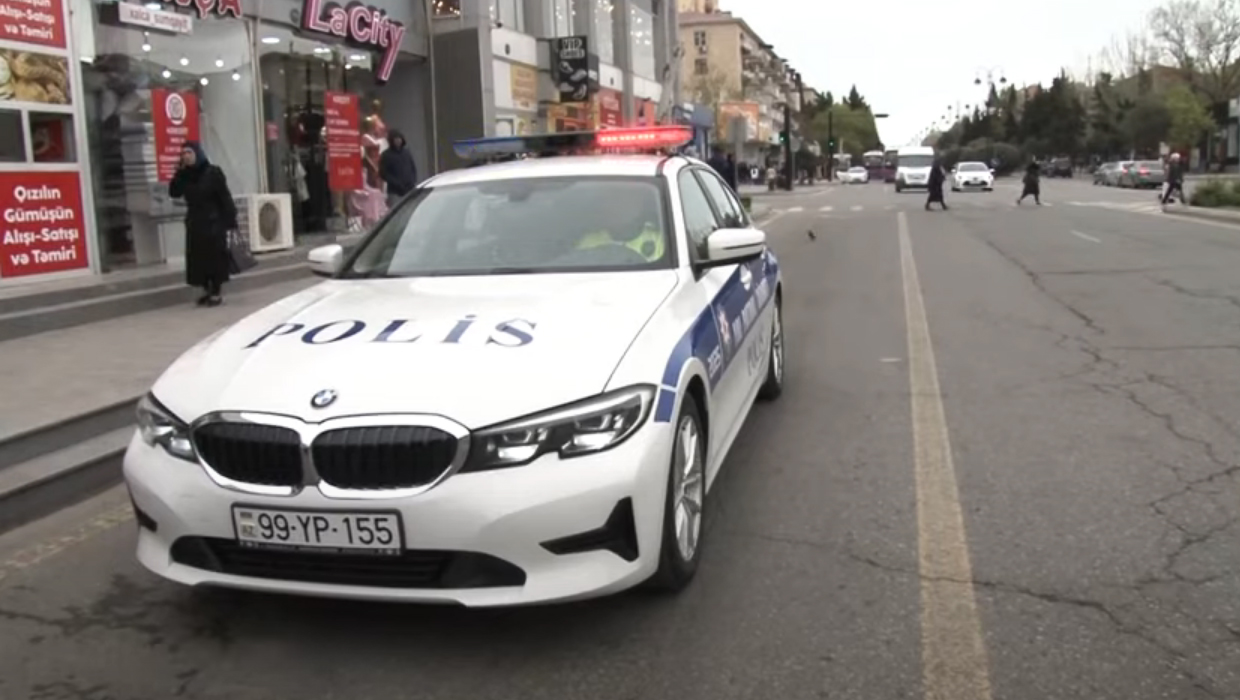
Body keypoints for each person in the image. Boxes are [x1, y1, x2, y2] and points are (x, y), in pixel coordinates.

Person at [169, 141, 237, 307]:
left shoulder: (213, 172)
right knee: (198, 259)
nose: (186, 156)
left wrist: (230, 219)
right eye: (183, 154)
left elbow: (224, 196)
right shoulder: (185, 175)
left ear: (197, 154)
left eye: (189, 153)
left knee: (215, 258)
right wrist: (178, 173)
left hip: (213, 222)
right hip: (195, 222)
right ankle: (207, 289)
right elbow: (174, 193)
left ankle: (216, 292)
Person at [379, 129, 418, 207]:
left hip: (409, 189)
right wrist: (396, 183)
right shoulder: (386, 155)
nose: (398, 141)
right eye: (396, 139)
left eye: (399, 139)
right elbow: (383, 173)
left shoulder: (406, 152)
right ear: (391, 140)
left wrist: (413, 180)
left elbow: (413, 168)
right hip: (394, 192)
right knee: (396, 209)